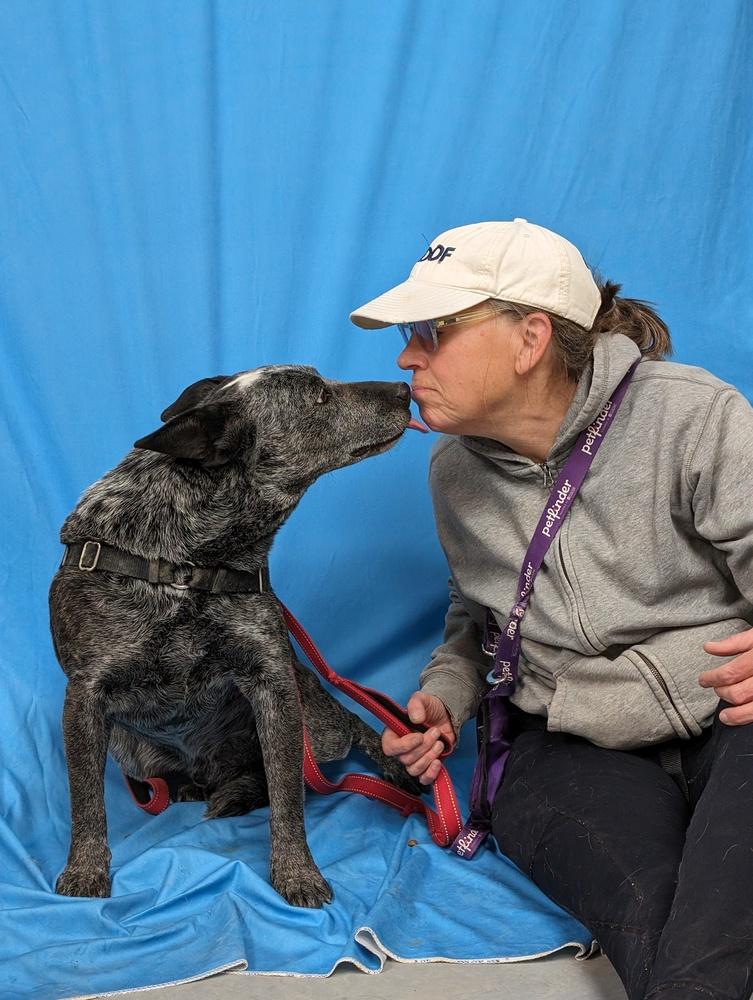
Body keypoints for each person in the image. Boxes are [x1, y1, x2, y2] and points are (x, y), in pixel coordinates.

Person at [349, 219, 753, 1000]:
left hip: (726, 710)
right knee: (663, 920)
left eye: (432, 331)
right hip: (567, 739)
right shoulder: (452, 473)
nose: (405, 357)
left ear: (529, 338)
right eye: (408, 333)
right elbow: (476, 613)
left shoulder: (692, 417)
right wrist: (444, 697)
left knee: (718, 924)